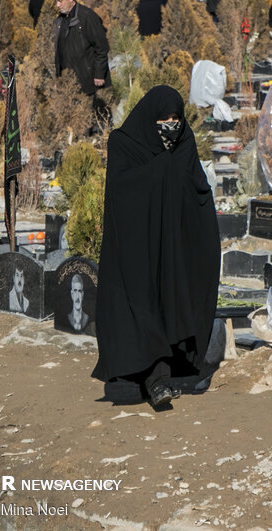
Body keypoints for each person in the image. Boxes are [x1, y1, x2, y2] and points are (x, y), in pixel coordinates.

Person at [92, 85, 220, 409]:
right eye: (164, 118)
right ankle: (149, 380)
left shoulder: (184, 143)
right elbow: (120, 194)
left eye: (177, 117)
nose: (171, 124)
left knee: (169, 310)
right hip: (137, 249)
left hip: (174, 249)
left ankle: (161, 378)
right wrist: (161, 171)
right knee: (143, 311)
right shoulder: (123, 144)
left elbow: (198, 190)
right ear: (151, 117)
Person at [53, 0, 111, 103]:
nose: (58, 5)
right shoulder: (60, 20)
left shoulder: (87, 17)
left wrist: (99, 74)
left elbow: (101, 47)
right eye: (56, 1)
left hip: (87, 78)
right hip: (68, 80)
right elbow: (59, 50)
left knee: (88, 116)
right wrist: (58, 78)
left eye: (60, 1)